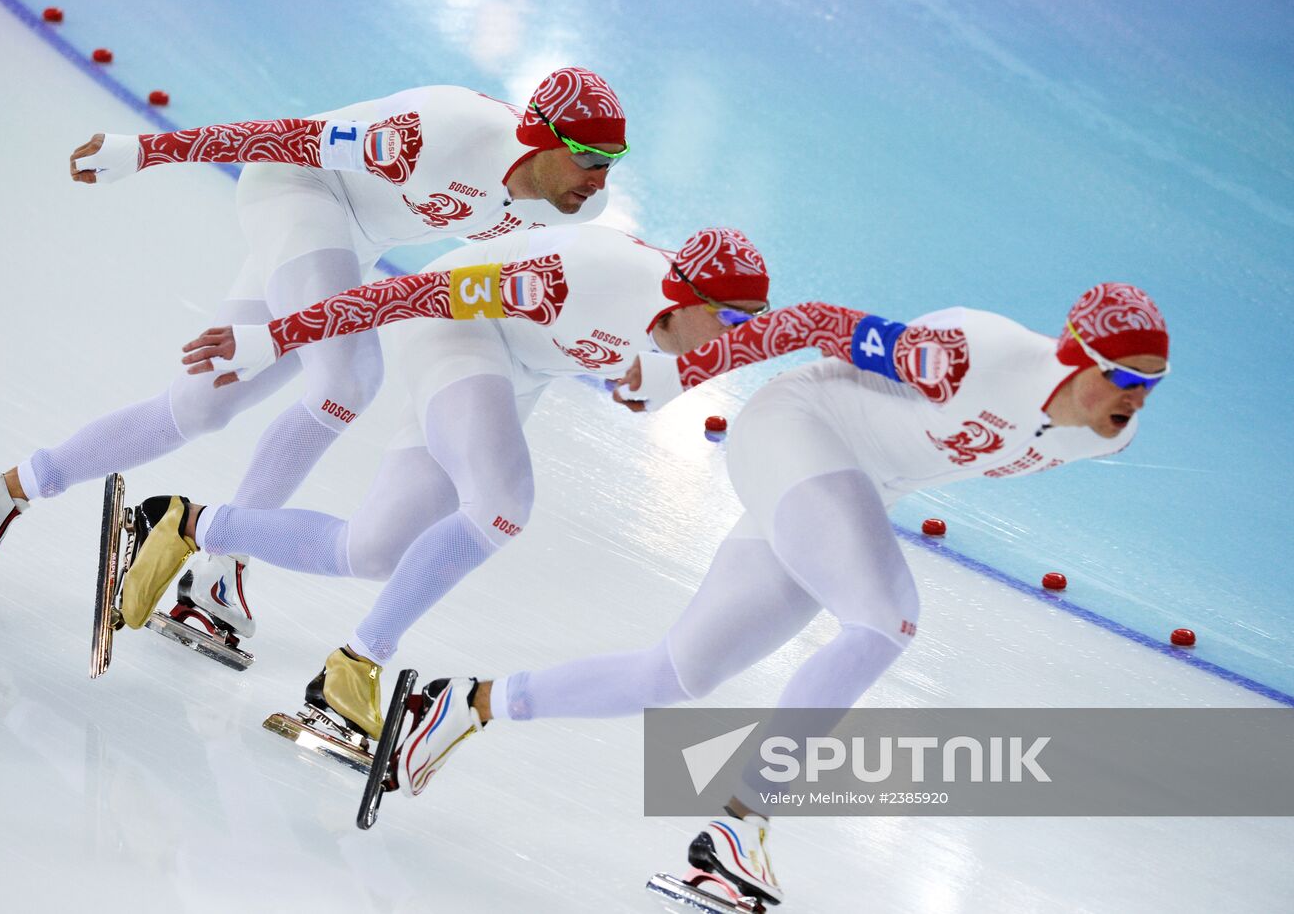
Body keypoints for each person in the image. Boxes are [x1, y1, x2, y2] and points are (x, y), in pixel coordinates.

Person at [377, 282, 1170, 907]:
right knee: (885, 621)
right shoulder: (972, 355)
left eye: (1151, 385)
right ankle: (738, 826)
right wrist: (679, 375)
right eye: (1125, 378)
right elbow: (815, 322)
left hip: (849, 479)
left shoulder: (1109, 431)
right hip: (801, 432)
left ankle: (462, 705)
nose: (1136, 399)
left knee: (680, 672)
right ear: (1076, 355)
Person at [0, 68, 628, 640]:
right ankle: (220, 555)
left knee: (200, 408)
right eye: (591, 160)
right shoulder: (442, 133)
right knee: (349, 377)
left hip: (352, 245)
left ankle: (4, 490)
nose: (600, 181)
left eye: (612, 165)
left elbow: (450, 289)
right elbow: (286, 137)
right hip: (299, 190)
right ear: (543, 138)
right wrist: (145, 151)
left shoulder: (568, 210)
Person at [116, 226, 773, 743]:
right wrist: (279, 335)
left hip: (515, 369)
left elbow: (680, 346)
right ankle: (355, 666)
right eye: (734, 325)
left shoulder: (693, 320)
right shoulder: (587, 277)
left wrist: (659, 374)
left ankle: (184, 523)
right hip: (458, 328)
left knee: (373, 551)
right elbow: (409, 296)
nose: (738, 346)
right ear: (688, 299)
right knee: (503, 504)